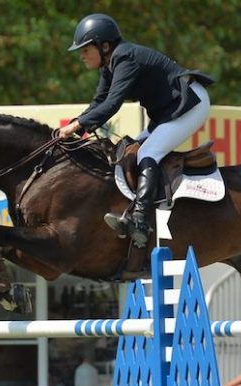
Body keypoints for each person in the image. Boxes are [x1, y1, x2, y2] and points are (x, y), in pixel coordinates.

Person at [59, 13, 214, 248]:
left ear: (105, 46)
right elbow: (98, 102)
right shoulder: (109, 66)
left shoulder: (125, 58)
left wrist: (78, 125)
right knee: (132, 148)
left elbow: (112, 105)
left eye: (85, 49)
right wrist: (76, 124)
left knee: (147, 153)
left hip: (191, 103)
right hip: (170, 109)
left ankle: (140, 220)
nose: (81, 55)